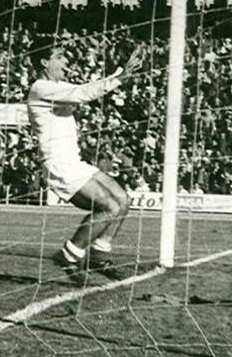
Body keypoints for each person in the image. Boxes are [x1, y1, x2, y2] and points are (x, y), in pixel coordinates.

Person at [26, 37, 143, 282]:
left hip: (74, 162)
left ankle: (99, 255)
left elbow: (88, 88)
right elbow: (82, 93)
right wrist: (119, 76)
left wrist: (120, 71)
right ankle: (69, 255)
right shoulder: (40, 88)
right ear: (44, 61)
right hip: (58, 165)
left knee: (123, 199)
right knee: (109, 207)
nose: (65, 61)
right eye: (60, 56)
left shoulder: (56, 87)